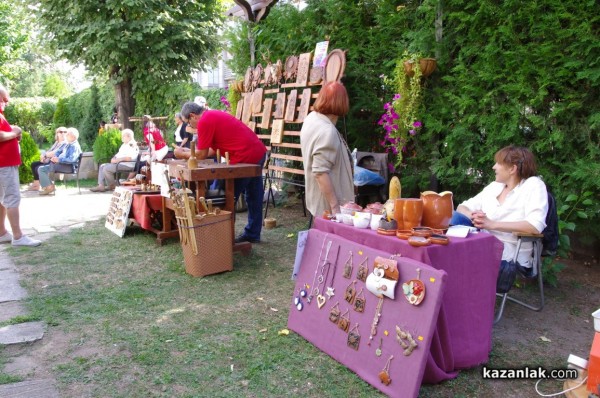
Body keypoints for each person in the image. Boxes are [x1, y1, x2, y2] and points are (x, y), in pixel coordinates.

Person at [452, 145, 548, 277]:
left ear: (512, 169)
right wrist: (474, 216)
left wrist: (492, 224)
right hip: (482, 240)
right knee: (453, 217)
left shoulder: (533, 186)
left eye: (498, 163)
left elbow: (535, 226)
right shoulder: (495, 186)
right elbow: (462, 207)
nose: (494, 167)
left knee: (455, 252)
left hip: (509, 251)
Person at [180, 102, 267, 244]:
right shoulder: (211, 115)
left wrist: (182, 154)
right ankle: (252, 234)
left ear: (192, 116)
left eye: (188, 123)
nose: (189, 127)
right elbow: (212, 151)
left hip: (245, 156)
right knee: (253, 195)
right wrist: (186, 152)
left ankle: (220, 236)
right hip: (257, 151)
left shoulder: (204, 121)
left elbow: (201, 155)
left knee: (224, 195)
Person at [300, 81, 354, 217]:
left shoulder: (311, 119)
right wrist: (335, 207)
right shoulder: (327, 130)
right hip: (329, 208)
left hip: (319, 202)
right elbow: (320, 172)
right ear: (342, 103)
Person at [0, 85, 42, 247]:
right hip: (4, 163)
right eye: (4, 100)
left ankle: (2, 232)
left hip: (5, 163)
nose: (6, 103)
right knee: (12, 198)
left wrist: (12, 135)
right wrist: (15, 133)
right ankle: (18, 237)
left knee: (3, 199)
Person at [37, 127, 82, 195]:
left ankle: (49, 187)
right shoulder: (68, 144)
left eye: (67, 134)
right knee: (41, 168)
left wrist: (58, 160)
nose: (65, 135)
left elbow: (72, 159)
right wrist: (55, 157)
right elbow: (58, 151)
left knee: (44, 168)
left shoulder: (74, 146)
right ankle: (49, 187)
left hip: (68, 167)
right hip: (62, 164)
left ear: (73, 136)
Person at [27, 126, 68, 191]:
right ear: (57, 133)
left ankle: (48, 186)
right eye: (61, 132)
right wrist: (43, 155)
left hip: (56, 162)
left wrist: (45, 155)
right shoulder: (57, 142)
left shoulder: (66, 143)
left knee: (38, 168)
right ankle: (36, 184)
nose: (63, 133)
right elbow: (50, 150)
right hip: (50, 160)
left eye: (65, 132)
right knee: (34, 164)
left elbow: (55, 152)